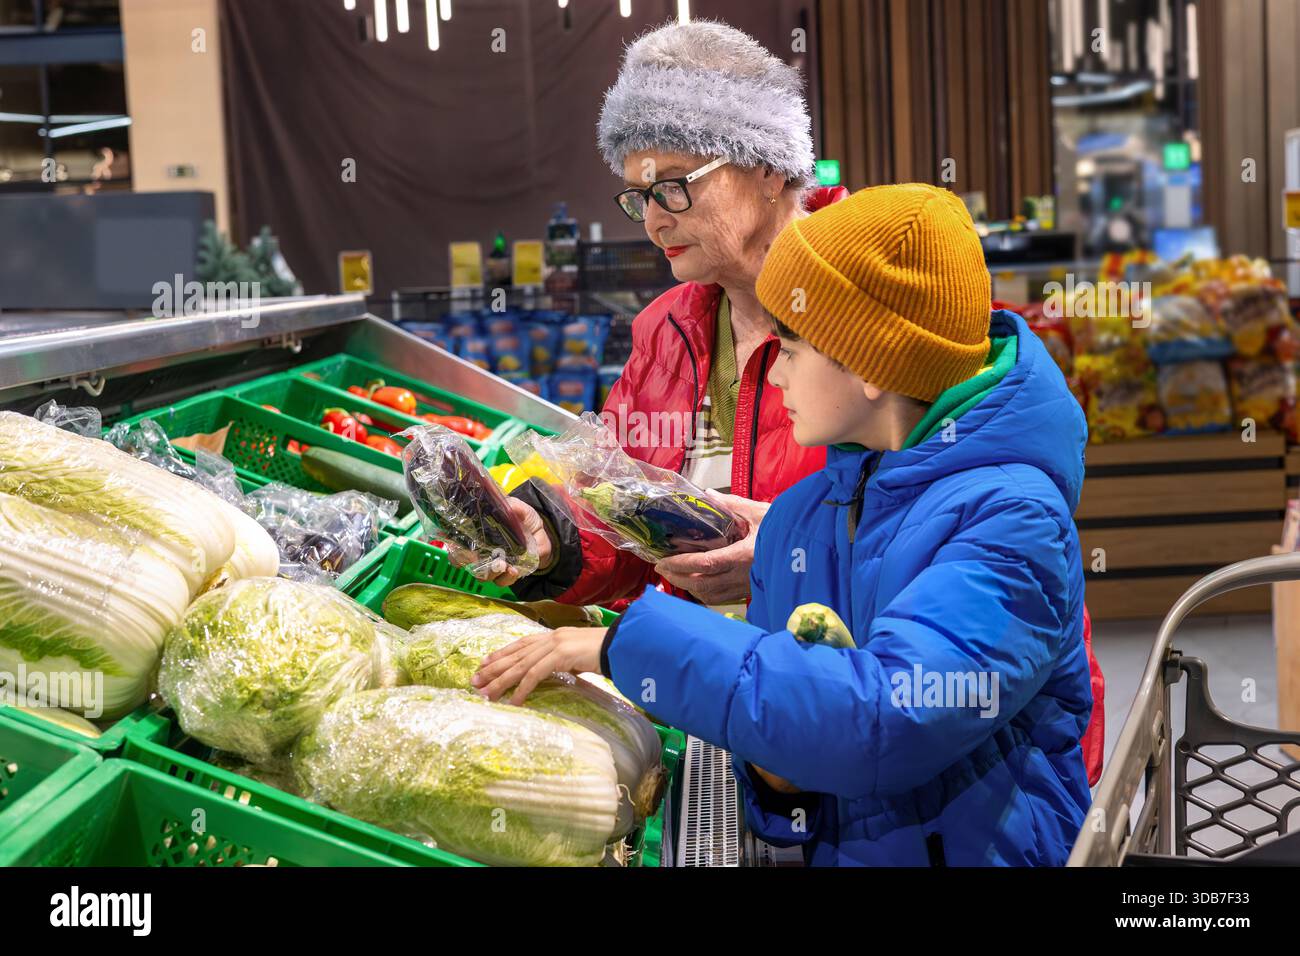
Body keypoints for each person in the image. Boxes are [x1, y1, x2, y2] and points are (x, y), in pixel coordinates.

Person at [473, 184, 1095, 865]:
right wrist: (779, 781)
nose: (772, 379)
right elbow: (798, 746)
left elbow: (884, 721)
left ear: (870, 364)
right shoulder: (808, 513)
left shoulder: (1011, 520)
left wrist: (629, 646)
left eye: (791, 350)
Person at [486, 20, 843, 609]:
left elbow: (956, 522)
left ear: (768, 169)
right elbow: (623, 510)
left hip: (830, 678)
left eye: (674, 187)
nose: (653, 222)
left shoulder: (880, 299)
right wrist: (547, 533)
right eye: (639, 197)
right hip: (694, 675)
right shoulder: (665, 330)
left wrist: (791, 553)